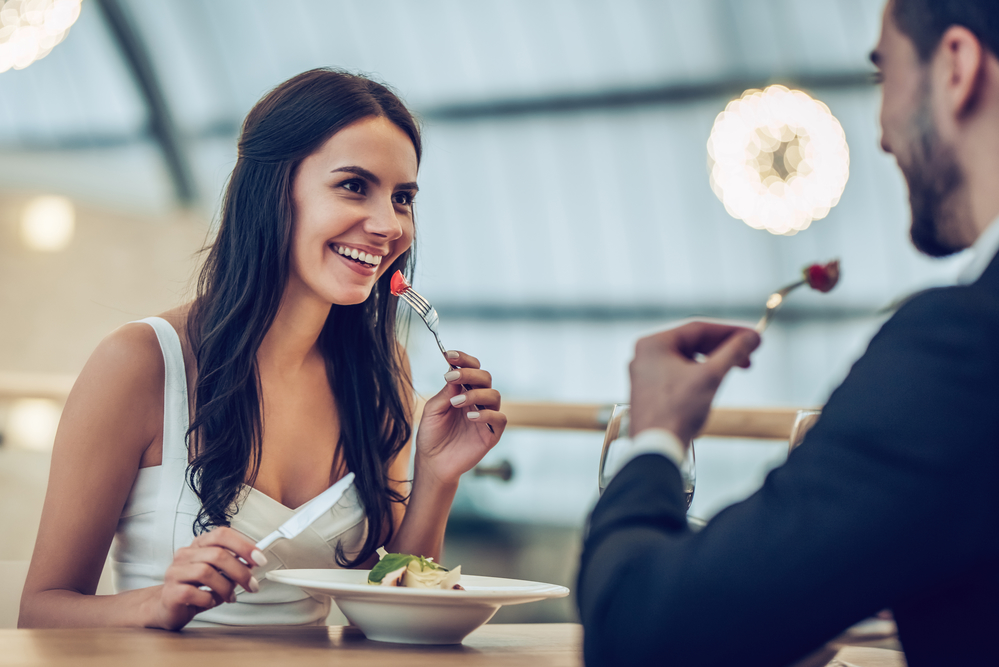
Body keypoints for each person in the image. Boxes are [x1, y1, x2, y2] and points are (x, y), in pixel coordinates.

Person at [577, 0, 999, 664]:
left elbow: (639, 629)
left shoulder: (965, 348)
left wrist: (655, 435)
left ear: (955, 66)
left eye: (881, 77)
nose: (884, 134)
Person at [19, 69, 506, 630]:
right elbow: (41, 613)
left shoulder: (383, 373)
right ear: (274, 189)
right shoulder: (140, 363)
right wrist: (156, 605)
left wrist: (438, 477)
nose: (386, 224)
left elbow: (389, 615)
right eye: (353, 185)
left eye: (402, 198)